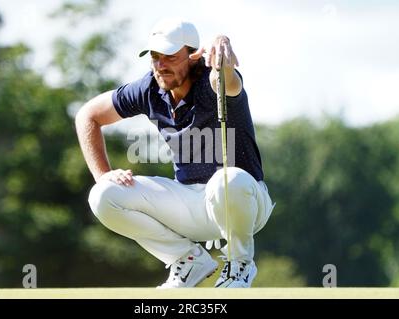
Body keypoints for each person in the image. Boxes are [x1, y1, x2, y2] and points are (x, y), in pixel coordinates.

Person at [75, 18, 275, 288]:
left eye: (169, 56)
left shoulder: (211, 79)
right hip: (191, 203)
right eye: (155, 57)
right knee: (103, 195)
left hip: (244, 201)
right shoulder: (149, 89)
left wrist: (221, 47)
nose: (160, 65)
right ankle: (187, 259)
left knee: (226, 181)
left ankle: (240, 265)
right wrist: (104, 175)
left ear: (193, 56)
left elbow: (225, 79)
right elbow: (88, 116)